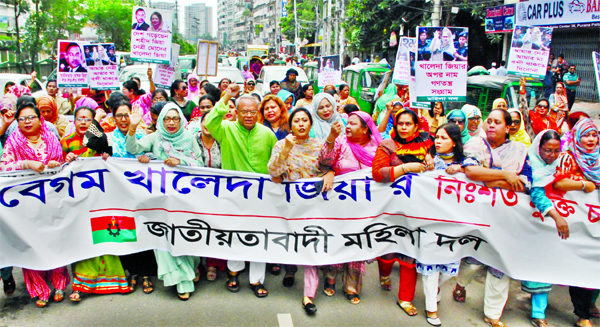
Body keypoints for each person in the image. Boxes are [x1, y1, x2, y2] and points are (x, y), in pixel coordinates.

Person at [454, 108, 530, 327]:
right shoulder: (475, 144)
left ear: (508, 127)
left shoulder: (520, 150)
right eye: (489, 121)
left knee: (501, 264)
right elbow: (472, 172)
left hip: (509, 216)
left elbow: (526, 182)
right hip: (479, 213)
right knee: (473, 261)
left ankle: (493, 314)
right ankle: (460, 283)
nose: (491, 125)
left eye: (497, 122)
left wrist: (490, 180)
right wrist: (506, 175)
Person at [205, 84, 277, 298]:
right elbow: (209, 121)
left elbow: (275, 163)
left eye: (253, 111)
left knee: (259, 236)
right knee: (234, 235)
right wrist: (227, 95)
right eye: (244, 111)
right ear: (235, 112)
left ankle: (257, 280)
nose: (248, 115)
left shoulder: (267, 134)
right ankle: (233, 272)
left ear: (258, 113)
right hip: (234, 196)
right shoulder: (226, 129)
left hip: (262, 197)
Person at [127, 103, 204, 301]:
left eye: (175, 118)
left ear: (181, 120)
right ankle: (182, 282)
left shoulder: (188, 138)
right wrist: (133, 128)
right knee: (165, 237)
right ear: (161, 120)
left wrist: (182, 162)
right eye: (167, 119)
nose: (171, 123)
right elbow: (133, 148)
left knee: (185, 236)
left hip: (185, 198)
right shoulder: (155, 137)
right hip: (160, 199)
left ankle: (191, 269)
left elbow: (201, 163)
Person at [0, 98, 69, 308]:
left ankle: (58, 283)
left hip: (52, 200)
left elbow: (61, 162)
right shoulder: (13, 142)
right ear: (17, 123)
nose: (27, 122)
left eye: (31, 117)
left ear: (40, 120)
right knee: (32, 243)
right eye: (22, 119)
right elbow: (4, 168)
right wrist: (26, 164)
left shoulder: (51, 138)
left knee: (55, 240)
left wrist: (57, 163)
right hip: (26, 203)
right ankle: (39, 288)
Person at [63, 105, 132, 302]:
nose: (83, 122)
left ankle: (115, 281)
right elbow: (57, 169)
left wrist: (106, 158)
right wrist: (66, 160)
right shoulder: (65, 142)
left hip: (102, 198)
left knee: (107, 236)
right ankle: (81, 285)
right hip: (78, 199)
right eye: (79, 119)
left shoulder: (101, 138)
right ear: (73, 121)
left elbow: (103, 150)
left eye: (88, 119)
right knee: (83, 240)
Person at [371, 109, 434, 316]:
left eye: (408, 124)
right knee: (388, 250)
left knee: (410, 253)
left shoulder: (428, 144)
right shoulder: (387, 145)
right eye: (400, 124)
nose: (404, 128)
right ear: (395, 126)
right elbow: (378, 173)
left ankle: (405, 298)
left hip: (419, 211)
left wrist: (432, 162)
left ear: (417, 127)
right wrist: (407, 168)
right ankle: (384, 274)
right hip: (391, 209)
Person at [319, 111, 383, 305]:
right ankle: (330, 276)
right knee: (336, 239)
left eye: (353, 123)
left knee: (357, 241)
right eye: (348, 122)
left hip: (364, 206)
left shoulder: (378, 148)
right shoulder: (339, 143)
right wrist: (329, 169)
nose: (348, 126)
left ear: (366, 128)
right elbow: (323, 162)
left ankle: (351, 285)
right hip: (338, 203)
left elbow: (384, 172)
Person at [267, 107, 325, 314]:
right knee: (291, 241)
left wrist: (331, 173)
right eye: (296, 121)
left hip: (314, 205)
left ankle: (308, 295)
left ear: (310, 124)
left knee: (311, 245)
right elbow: (273, 172)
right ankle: (290, 271)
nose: (300, 124)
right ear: (290, 125)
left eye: (304, 120)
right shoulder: (282, 144)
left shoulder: (319, 146)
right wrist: (285, 150)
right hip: (289, 204)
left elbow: (328, 167)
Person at [420, 123, 470, 326]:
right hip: (430, 222)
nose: (437, 141)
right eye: (436, 137)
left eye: (443, 138)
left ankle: (437, 289)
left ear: (455, 142)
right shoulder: (428, 160)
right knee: (430, 265)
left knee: (449, 268)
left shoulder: (468, 162)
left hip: (454, 224)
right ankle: (431, 308)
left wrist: (462, 169)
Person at [553, 117, 599, 327]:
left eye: (594, 135)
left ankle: (590, 304)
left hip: (596, 224)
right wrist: (583, 185)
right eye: (586, 135)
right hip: (575, 223)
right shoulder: (568, 157)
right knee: (582, 265)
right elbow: (558, 182)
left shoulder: (597, 159)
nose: (591, 139)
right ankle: (583, 316)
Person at [523, 129, 571, 327]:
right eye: (547, 150)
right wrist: (556, 216)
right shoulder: (529, 164)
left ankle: (538, 313)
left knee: (545, 266)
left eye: (555, 151)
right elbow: (537, 193)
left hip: (549, 227)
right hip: (529, 223)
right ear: (537, 148)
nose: (551, 155)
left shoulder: (562, 163)